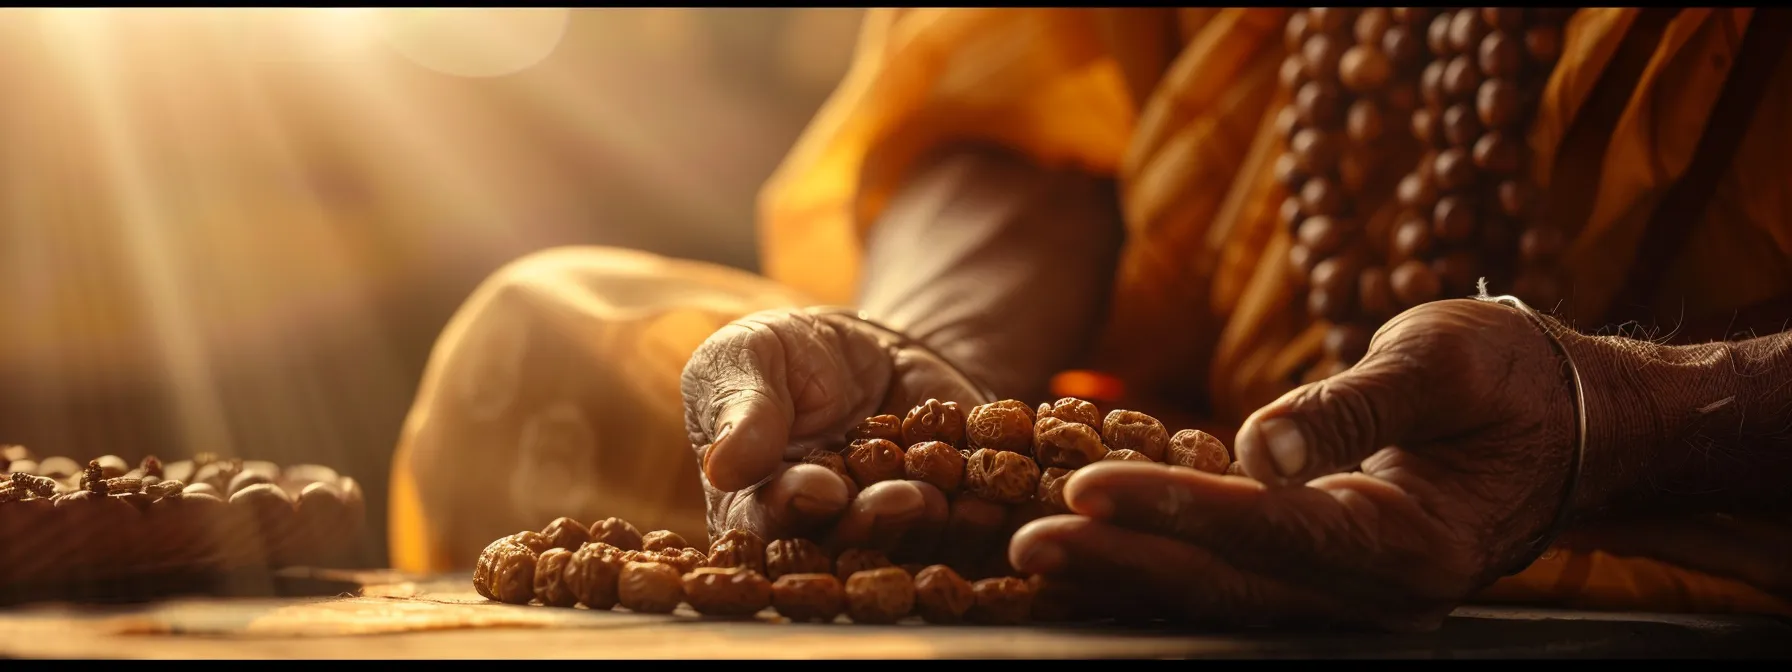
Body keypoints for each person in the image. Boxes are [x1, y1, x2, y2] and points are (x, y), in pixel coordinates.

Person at [388, 7, 1792, 628]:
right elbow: (1031, 104)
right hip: (1197, 442)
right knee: (552, 327)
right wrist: (929, 353)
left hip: (1710, 501)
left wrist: (1623, 416)